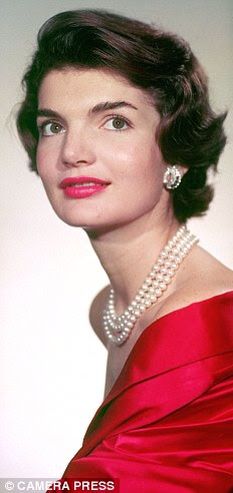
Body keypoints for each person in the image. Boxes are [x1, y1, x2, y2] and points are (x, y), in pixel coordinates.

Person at [16, 9, 233, 492]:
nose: (73, 151)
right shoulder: (109, 309)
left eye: (114, 121)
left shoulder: (215, 331)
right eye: (53, 126)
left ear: (174, 150)